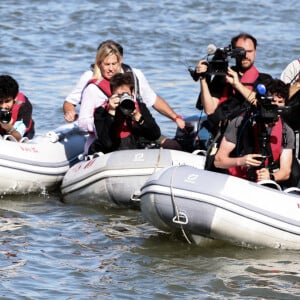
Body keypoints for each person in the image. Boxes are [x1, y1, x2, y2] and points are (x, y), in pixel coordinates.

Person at [63, 39, 185, 131]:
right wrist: (70, 112)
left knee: (171, 145)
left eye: (114, 63)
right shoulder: (90, 80)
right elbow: (69, 102)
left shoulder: (134, 75)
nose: (111, 68)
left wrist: (175, 117)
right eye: (106, 64)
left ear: (120, 60)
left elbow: (153, 100)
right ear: (99, 62)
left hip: (134, 130)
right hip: (103, 132)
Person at [214, 78, 296, 186]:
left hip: (264, 179)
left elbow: (285, 172)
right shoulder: (240, 122)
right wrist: (241, 161)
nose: (275, 106)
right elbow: (218, 161)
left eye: (280, 102)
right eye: (272, 101)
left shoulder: (286, 132)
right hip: (237, 179)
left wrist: (270, 176)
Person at [196, 32, 264, 135]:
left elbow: (261, 105)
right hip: (219, 131)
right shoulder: (223, 76)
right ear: (233, 53)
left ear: (255, 52)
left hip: (246, 133)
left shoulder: (264, 80)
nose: (246, 55)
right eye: (241, 52)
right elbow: (209, 110)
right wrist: (203, 79)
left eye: (250, 51)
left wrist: (237, 85)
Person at [88, 73, 161, 154]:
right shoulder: (102, 111)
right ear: (112, 94)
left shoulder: (139, 107)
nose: (123, 98)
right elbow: (107, 143)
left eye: (126, 94)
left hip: (134, 150)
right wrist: (111, 113)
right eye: (119, 95)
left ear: (132, 93)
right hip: (110, 152)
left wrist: (139, 119)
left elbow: (155, 135)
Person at [0, 75, 35, 141]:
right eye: (0, 102)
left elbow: (18, 137)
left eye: (7, 101)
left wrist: (9, 128)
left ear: (14, 99)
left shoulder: (24, 107)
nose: (3, 106)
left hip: (21, 133)